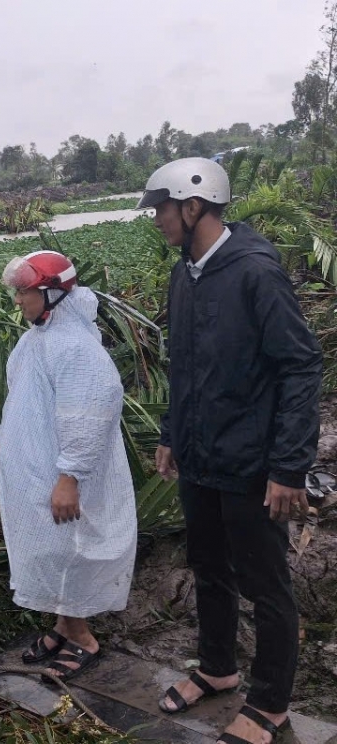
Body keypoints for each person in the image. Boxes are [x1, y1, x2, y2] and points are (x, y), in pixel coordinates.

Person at [140, 158, 322, 744]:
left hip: (251, 460)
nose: (159, 221)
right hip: (200, 455)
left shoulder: (255, 272)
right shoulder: (185, 273)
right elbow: (184, 366)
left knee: (265, 584)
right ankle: (218, 669)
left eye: (164, 210)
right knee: (208, 567)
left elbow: (299, 366)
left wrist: (289, 466)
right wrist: (171, 433)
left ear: (194, 206)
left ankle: (270, 703)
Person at [0, 251, 137, 683]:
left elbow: (89, 414)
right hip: (36, 468)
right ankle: (61, 628)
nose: (18, 300)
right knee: (49, 550)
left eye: (24, 292)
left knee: (69, 552)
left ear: (52, 293)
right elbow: (21, 400)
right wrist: (1, 442)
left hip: (63, 474)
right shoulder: (37, 338)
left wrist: (70, 477)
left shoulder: (75, 347)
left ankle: (83, 639)